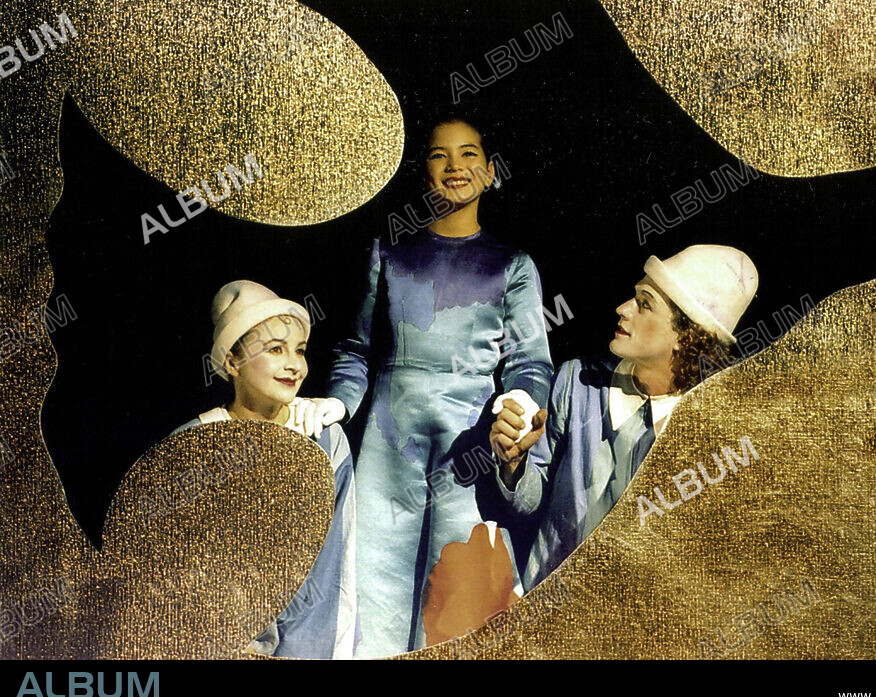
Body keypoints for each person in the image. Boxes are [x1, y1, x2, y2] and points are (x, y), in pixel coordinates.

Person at [305, 117, 553, 657]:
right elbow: (354, 350)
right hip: (389, 444)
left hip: (469, 446)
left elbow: (530, 361)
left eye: (469, 155)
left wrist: (519, 402)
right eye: (440, 156)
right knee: (374, 579)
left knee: (457, 592)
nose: (455, 166)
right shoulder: (388, 254)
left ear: (490, 171)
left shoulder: (513, 266)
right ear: (423, 173)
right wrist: (337, 402)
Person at [490, 245, 758, 591]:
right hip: (546, 610)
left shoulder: (708, 428)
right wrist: (514, 463)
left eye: (645, 304)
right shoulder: (578, 382)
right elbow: (530, 503)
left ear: (684, 336)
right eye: (635, 297)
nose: (623, 309)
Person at [173, 280, 357, 659]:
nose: (294, 364)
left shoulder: (324, 439)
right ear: (231, 361)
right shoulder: (193, 444)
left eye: (300, 350)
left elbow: (333, 572)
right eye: (275, 349)